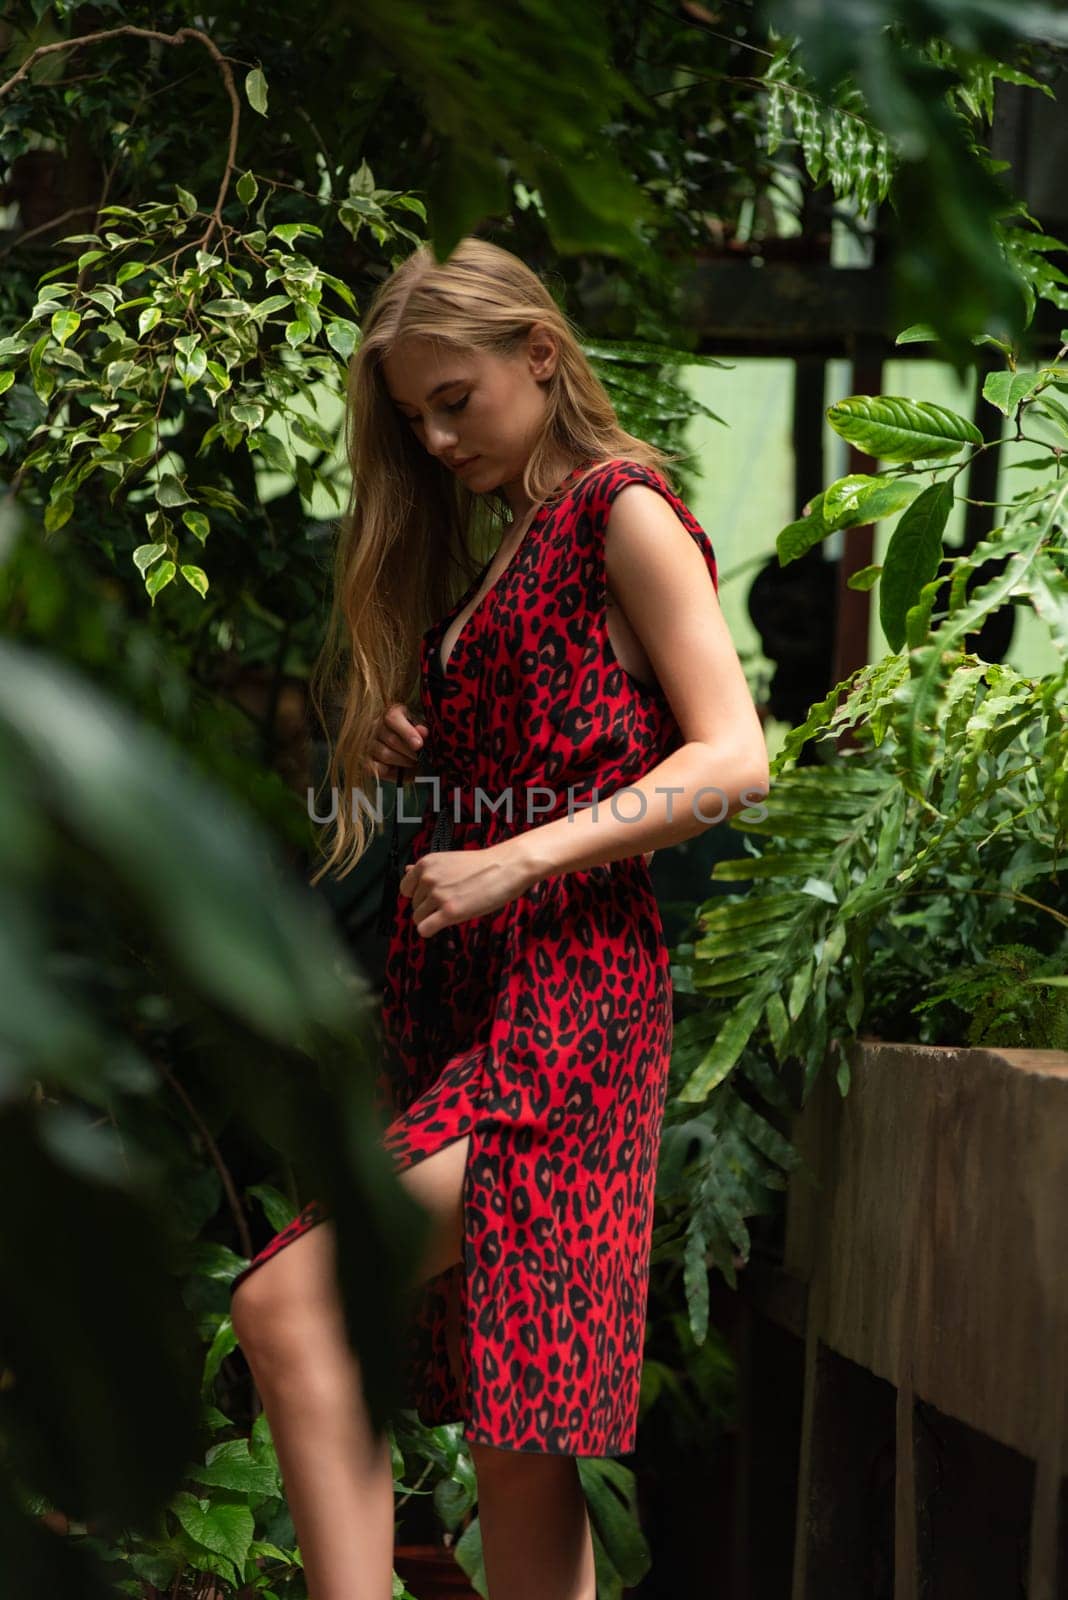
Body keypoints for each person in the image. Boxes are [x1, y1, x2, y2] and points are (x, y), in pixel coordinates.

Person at [229, 236, 769, 1600]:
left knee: (291, 1302)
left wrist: (513, 856)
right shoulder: (503, 553)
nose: (433, 432)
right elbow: (550, 746)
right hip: (479, 1010)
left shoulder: (621, 508)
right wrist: (405, 749)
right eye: (414, 413)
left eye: (454, 397)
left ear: (540, 354)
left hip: (573, 1013)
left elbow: (730, 760)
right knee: (521, 1436)